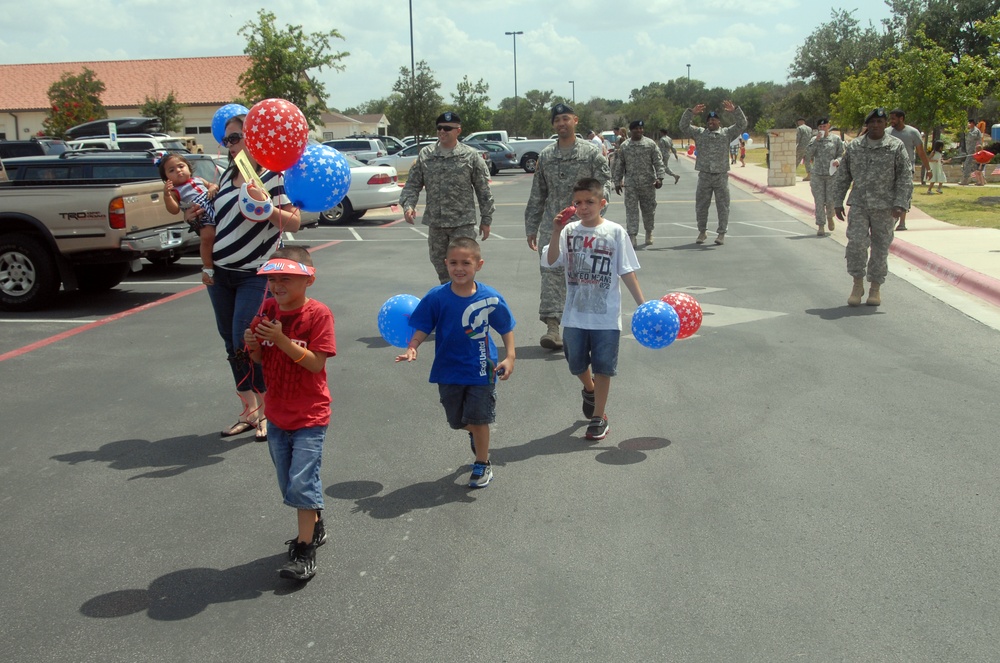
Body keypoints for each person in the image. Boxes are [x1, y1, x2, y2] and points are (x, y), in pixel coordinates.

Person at [187, 115, 301, 440]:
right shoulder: (226, 176)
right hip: (221, 275)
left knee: (245, 339)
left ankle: (268, 410)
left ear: (254, 137)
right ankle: (249, 410)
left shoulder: (273, 177)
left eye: (236, 137)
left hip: (255, 274)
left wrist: (269, 210)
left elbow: (294, 222)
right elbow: (215, 222)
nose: (231, 145)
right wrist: (193, 216)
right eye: (227, 140)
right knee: (230, 343)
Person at [243, 247, 336, 581]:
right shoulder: (267, 308)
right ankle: (316, 524)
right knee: (290, 481)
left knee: (300, 481)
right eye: (272, 278)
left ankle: (304, 549)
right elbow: (256, 359)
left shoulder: (318, 315)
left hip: (310, 413)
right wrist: (252, 342)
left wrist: (281, 340)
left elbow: (315, 363)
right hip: (278, 414)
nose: (277, 285)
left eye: (286, 278)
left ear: (308, 279)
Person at [396, 237, 516, 488]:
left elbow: (505, 326)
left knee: (481, 419)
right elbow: (422, 326)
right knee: (456, 421)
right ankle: (476, 433)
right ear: (445, 264)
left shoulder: (489, 297)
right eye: (453, 263)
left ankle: (482, 463)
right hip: (448, 370)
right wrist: (412, 347)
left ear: (478, 265)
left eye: (466, 263)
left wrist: (510, 355)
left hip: (482, 368)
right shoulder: (437, 297)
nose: (459, 268)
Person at [543, 178, 645, 441]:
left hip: (606, 317)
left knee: (604, 367)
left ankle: (599, 416)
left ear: (602, 203)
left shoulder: (615, 232)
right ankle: (589, 389)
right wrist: (555, 230)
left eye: (590, 202)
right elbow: (552, 261)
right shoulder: (569, 231)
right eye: (578, 202)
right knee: (575, 362)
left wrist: (642, 305)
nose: (583, 207)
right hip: (575, 314)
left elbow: (626, 270)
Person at [525, 102, 611, 351]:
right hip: (554, 228)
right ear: (553, 125)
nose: (561, 123)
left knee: (585, 279)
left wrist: (595, 216)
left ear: (575, 120)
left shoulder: (591, 153)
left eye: (565, 119)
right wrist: (532, 226)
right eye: (557, 120)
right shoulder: (547, 156)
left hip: (585, 229)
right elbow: (537, 194)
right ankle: (553, 328)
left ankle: (585, 331)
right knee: (551, 275)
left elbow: (604, 186)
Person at [400, 111, 495, 284]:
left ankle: (464, 304)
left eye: (447, 128)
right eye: (439, 128)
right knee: (442, 271)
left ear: (458, 131)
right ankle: (448, 306)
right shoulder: (426, 155)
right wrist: (409, 206)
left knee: (463, 269)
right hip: (436, 224)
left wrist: (486, 219)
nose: (442, 131)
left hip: (462, 223)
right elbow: (412, 184)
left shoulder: (470, 155)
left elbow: (483, 190)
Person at [832, 108, 913, 307]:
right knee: (857, 243)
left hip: (886, 207)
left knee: (880, 248)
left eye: (880, 121)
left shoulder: (895, 147)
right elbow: (843, 176)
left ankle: (875, 288)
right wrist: (837, 201)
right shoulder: (855, 147)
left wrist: (901, 204)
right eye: (872, 122)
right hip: (859, 203)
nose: (876, 125)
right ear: (866, 125)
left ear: (885, 123)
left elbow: (905, 177)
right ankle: (857, 284)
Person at [679, 101, 747, 246]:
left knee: (723, 206)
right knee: (701, 206)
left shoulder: (727, 133)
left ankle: (721, 233)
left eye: (714, 119)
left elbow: (742, 125)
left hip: (720, 176)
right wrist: (691, 113)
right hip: (704, 175)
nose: (711, 122)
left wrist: (735, 111)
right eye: (709, 120)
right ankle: (702, 232)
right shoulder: (700, 134)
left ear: (719, 122)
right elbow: (683, 126)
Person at [159, 153, 218, 279]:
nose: (178, 171)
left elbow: (212, 186)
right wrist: (167, 195)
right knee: (207, 237)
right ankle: (208, 266)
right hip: (202, 213)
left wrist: (212, 187)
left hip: (215, 206)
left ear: (189, 168)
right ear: (166, 178)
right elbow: (174, 210)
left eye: (181, 166)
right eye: (171, 170)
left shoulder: (198, 179)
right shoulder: (175, 191)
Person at [612, 119, 666, 248]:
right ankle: (632, 236)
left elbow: (658, 162)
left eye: (641, 128)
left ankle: (649, 232)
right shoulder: (625, 146)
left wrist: (660, 178)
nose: (639, 131)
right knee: (631, 211)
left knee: (649, 210)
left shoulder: (650, 144)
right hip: (631, 184)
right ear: (631, 130)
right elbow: (619, 165)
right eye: (636, 128)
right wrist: (617, 181)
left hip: (648, 184)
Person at [888, 108, 931, 231]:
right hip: (890, 169)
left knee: (904, 194)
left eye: (894, 118)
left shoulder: (913, 132)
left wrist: (928, 169)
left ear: (901, 118)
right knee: (890, 195)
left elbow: (921, 152)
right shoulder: (887, 132)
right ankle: (890, 220)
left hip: (907, 169)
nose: (891, 121)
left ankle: (902, 222)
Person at [805, 117, 845, 236]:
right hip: (817, 174)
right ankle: (821, 225)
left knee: (830, 200)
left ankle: (830, 217)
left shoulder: (836, 139)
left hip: (831, 174)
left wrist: (838, 160)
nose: (822, 128)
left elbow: (841, 154)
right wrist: (816, 141)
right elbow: (808, 154)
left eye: (824, 126)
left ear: (829, 126)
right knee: (819, 200)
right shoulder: (814, 139)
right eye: (820, 127)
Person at [960, 119, 984, 186]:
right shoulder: (971, 130)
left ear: (972, 123)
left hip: (974, 151)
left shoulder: (975, 130)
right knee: (975, 166)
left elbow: (972, 137)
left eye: (969, 123)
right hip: (970, 151)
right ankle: (982, 181)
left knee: (967, 164)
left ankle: (965, 180)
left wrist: (966, 131)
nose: (968, 124)